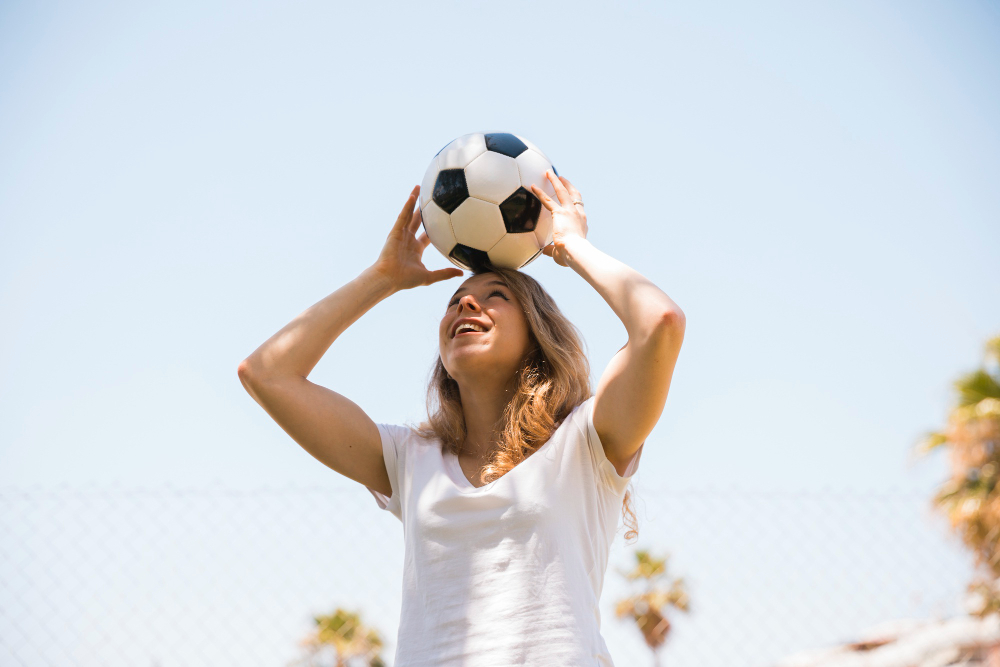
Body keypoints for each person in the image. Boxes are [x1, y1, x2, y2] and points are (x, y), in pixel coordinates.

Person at [238, 170, 686, 666]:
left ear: (538, 333)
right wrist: (382, 279)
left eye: (496, 295)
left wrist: (570, 245)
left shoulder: (587, 444)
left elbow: (659, 323)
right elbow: (267, 373)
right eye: (454, 301)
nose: (466, 302)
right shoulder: (408, 461)